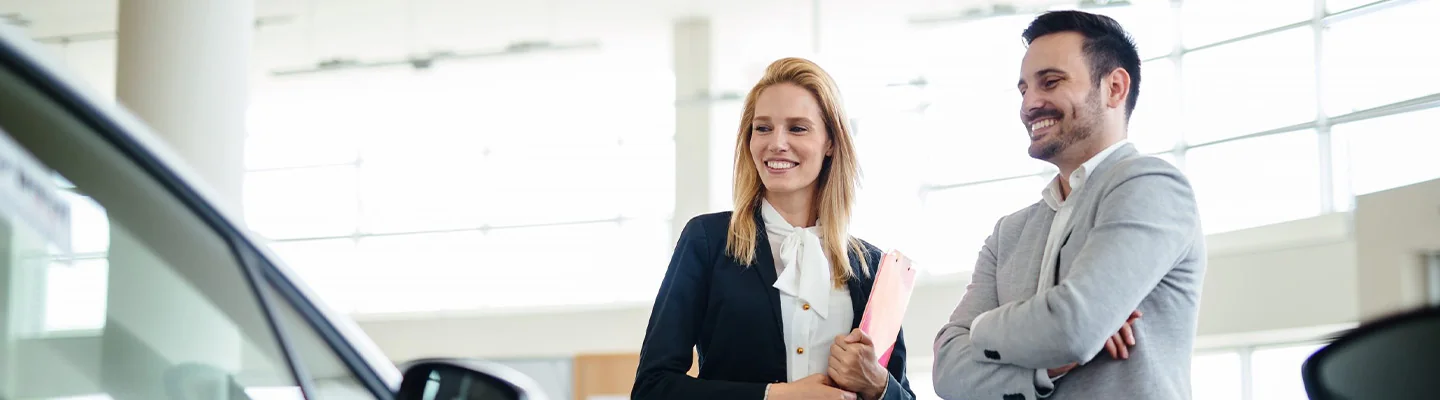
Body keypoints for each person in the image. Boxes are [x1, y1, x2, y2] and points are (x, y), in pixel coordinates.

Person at [931, 10, 1206, 400]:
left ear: (1114, 88)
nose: (1029, 104)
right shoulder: (1009, 233)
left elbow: (1072, 328)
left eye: (1051, 82)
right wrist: (1044, 362)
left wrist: (979, 331)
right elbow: (947, 371)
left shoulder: (1151, 185)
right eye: (1024, 89)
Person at [632, 57, 915, 400]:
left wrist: (877, 384)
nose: (776, 143)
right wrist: (777, 396)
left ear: (830, 143)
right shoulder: (707, 241)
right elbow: (653, 387)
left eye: (797, 128)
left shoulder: (872, 268)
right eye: (763, 128)